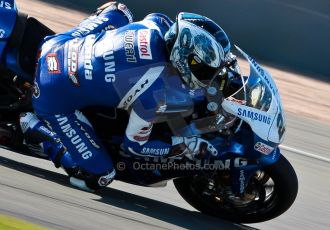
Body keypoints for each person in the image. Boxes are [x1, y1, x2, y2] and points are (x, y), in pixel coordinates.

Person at [3, 2, 233, 191]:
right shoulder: (155, 94)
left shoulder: (158, 24)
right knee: (101, 175)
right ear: (183, 58)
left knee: (120, 10)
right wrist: (184, 146)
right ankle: (33, 126)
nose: (208, 76)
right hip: (51, 90)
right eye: (204, 69)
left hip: (59, 45)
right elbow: (135, 146)